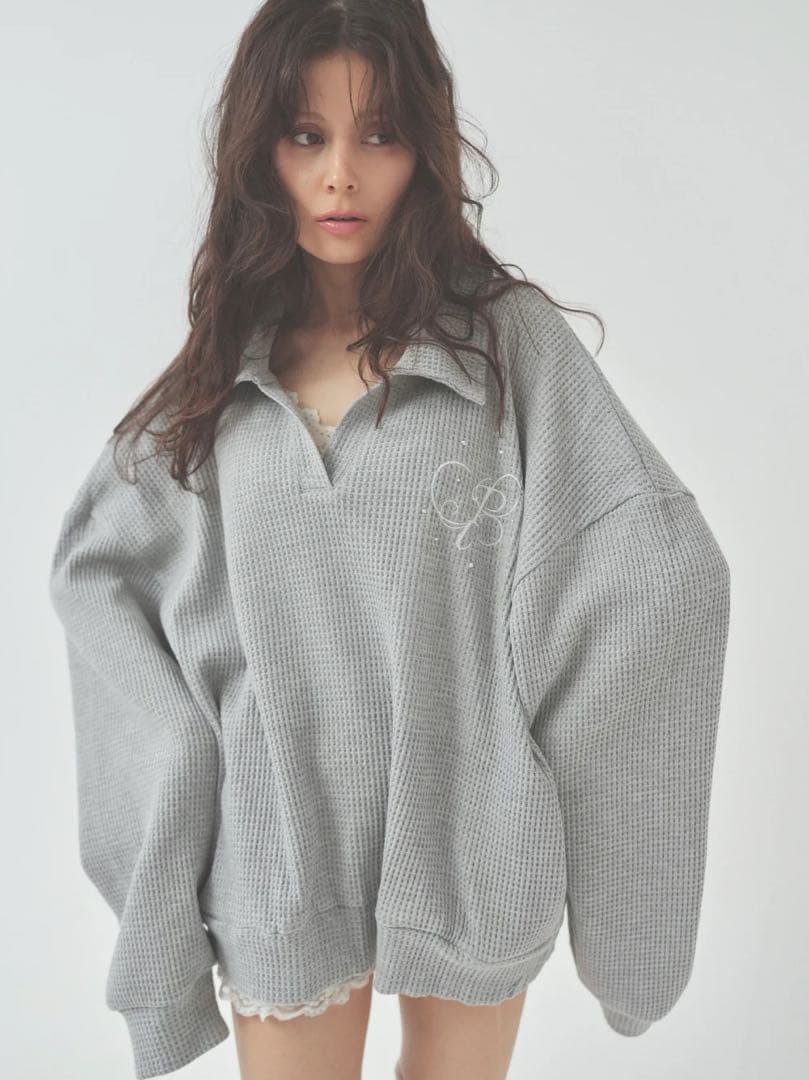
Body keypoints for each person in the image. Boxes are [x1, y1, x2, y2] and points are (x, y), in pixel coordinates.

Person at [47, 2, 731, 1079]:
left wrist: (611, 886)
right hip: (276, 856)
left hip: (468, 842)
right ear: (259, 150)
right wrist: (182, 775)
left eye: (379, 134)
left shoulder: (503, 344)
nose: (340, 176)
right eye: (305, 135)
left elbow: (651, 566)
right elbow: (100, 580)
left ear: (425, 146)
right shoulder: (217, 379)